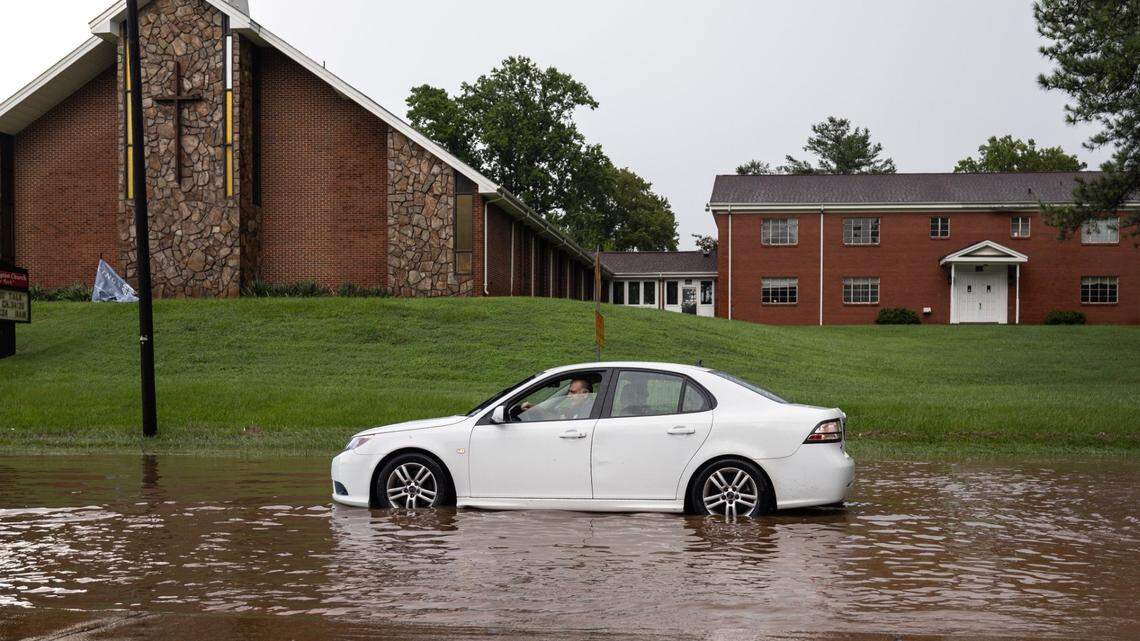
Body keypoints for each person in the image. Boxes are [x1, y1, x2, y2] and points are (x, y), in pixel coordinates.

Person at [519, 378, 594, 420]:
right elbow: (557, 420)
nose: (568, 396)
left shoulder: (591, 411)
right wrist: (536, 409)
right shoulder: (577, 409)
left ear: (585, 394)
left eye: (573, 392)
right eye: (569, 392)